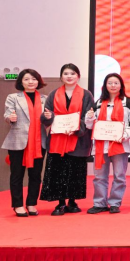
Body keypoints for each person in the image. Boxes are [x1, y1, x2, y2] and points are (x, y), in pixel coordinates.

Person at [39, 63, 95, 216]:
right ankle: (60, 203)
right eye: (66, 74)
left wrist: (77, 128)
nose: (69, 76)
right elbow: (46, 115)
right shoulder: (53, 94)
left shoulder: (86, 94)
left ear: (78, 76)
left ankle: (72, 201)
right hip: (57, 139)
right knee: (58, 172)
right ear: (61, 77)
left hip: (78, 139)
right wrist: (47, 116)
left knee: (75, 171)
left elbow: (88, 116)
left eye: (72, 73)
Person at [86, 73, 130, 214]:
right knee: (99, 177)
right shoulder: (98, 103)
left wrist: (123, 136)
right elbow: (90, 126)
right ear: (105, 86)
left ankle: (115, 203)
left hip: (120, 145)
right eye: (110, 83)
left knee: (119, 176)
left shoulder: (129, 103)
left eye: (116, 83)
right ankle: (99, 203)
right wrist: (89, 118)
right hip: (101, 146)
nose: (113, 86)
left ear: (121, 85)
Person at [2, 69, 49, 217]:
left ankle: (31, 203)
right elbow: (7, 114)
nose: (31, 82)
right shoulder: (13, 97)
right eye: (27, 79)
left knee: (35, 175)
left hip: (39, 142)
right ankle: (17, 205)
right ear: (21, 82)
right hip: (18, 141)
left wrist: (49, 117)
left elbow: (48, 120)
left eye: (34, 79)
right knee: (17, 175)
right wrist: (10, 118)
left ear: (38, 81)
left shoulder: (45, 98)